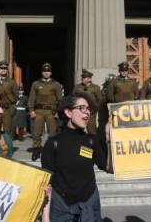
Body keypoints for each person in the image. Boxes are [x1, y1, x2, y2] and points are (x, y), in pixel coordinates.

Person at [41, 92, 110, 222]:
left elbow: (108, 167)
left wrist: (108, 139)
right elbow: (46, 185)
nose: (87, 112)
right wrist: (45, 218)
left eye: (88, 108)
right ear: (68, 113)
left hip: (89, 204)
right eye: (82, 108)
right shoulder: (53, 143)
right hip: (61, 207)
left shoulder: (91, 141)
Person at [28, 62, 63, 161]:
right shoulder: (36, 84)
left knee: (52, 133)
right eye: (44, 71)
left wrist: (58, 111)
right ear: (42, 73)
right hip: (39, 111)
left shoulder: (56, 84)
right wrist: (31, 110)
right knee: (36, 132)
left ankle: (52, 151)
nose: (46, 73)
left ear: (51, 72)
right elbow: (31, 98)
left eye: (48, 71)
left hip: (51, 111)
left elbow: (60, 99)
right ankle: (36, 150)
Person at [0, 61, 19, 137]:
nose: (3, 70)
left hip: (7, 109)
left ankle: (7, 147)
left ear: (7, 70)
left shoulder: (12, 82)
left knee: (7, 130)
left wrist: (11, 105)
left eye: (5, 68)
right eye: (1, 68)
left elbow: (16, 96)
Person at [72, 69, 102, 134]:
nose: (83, 79)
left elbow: (99, 99)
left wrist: (95, 109)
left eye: (85, 77)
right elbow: (73, 98)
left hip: (90, 111)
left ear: (89, 79)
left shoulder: (95, 87)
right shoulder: (77, 87)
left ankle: (92, 143)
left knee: (91, 129)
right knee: (79, 128)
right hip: (79, 111)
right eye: (83, 77)